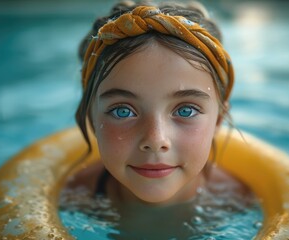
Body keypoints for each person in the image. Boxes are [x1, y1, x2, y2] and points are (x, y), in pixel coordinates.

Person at [66, 0, 251, 238]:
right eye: (123, 111)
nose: (156, 139)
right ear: (91, 116)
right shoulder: (76, 198)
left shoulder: (236, 202)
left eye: (186, 110)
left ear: (218, 120)